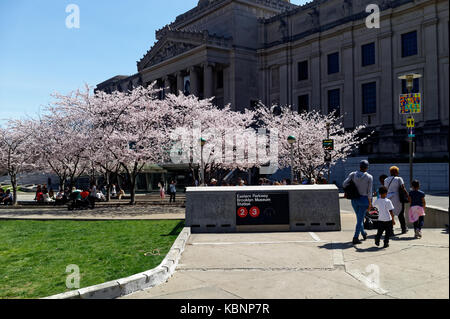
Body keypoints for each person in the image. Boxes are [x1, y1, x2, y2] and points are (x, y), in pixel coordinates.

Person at [343, 160, 373, 245]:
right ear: (367, 167)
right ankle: (355, 237)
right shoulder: (369, 177)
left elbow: (344, 184)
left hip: (354, 199)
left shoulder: (352, 174)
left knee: (359, 219)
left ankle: (363, 233)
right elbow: (369, 191)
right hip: (364, 200)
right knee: (360, 220)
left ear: (359, 166)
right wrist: (370, 203)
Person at [384, 166, 408, 235]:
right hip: (397, 198)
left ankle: (391, 231)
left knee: (391, 215)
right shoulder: (399, 179)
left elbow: (385, 189)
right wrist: (407, 196)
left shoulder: (386, 180)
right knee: (400, 214)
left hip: (389, 198)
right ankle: (403, 229)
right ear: (396, 172)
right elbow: (403, 188)